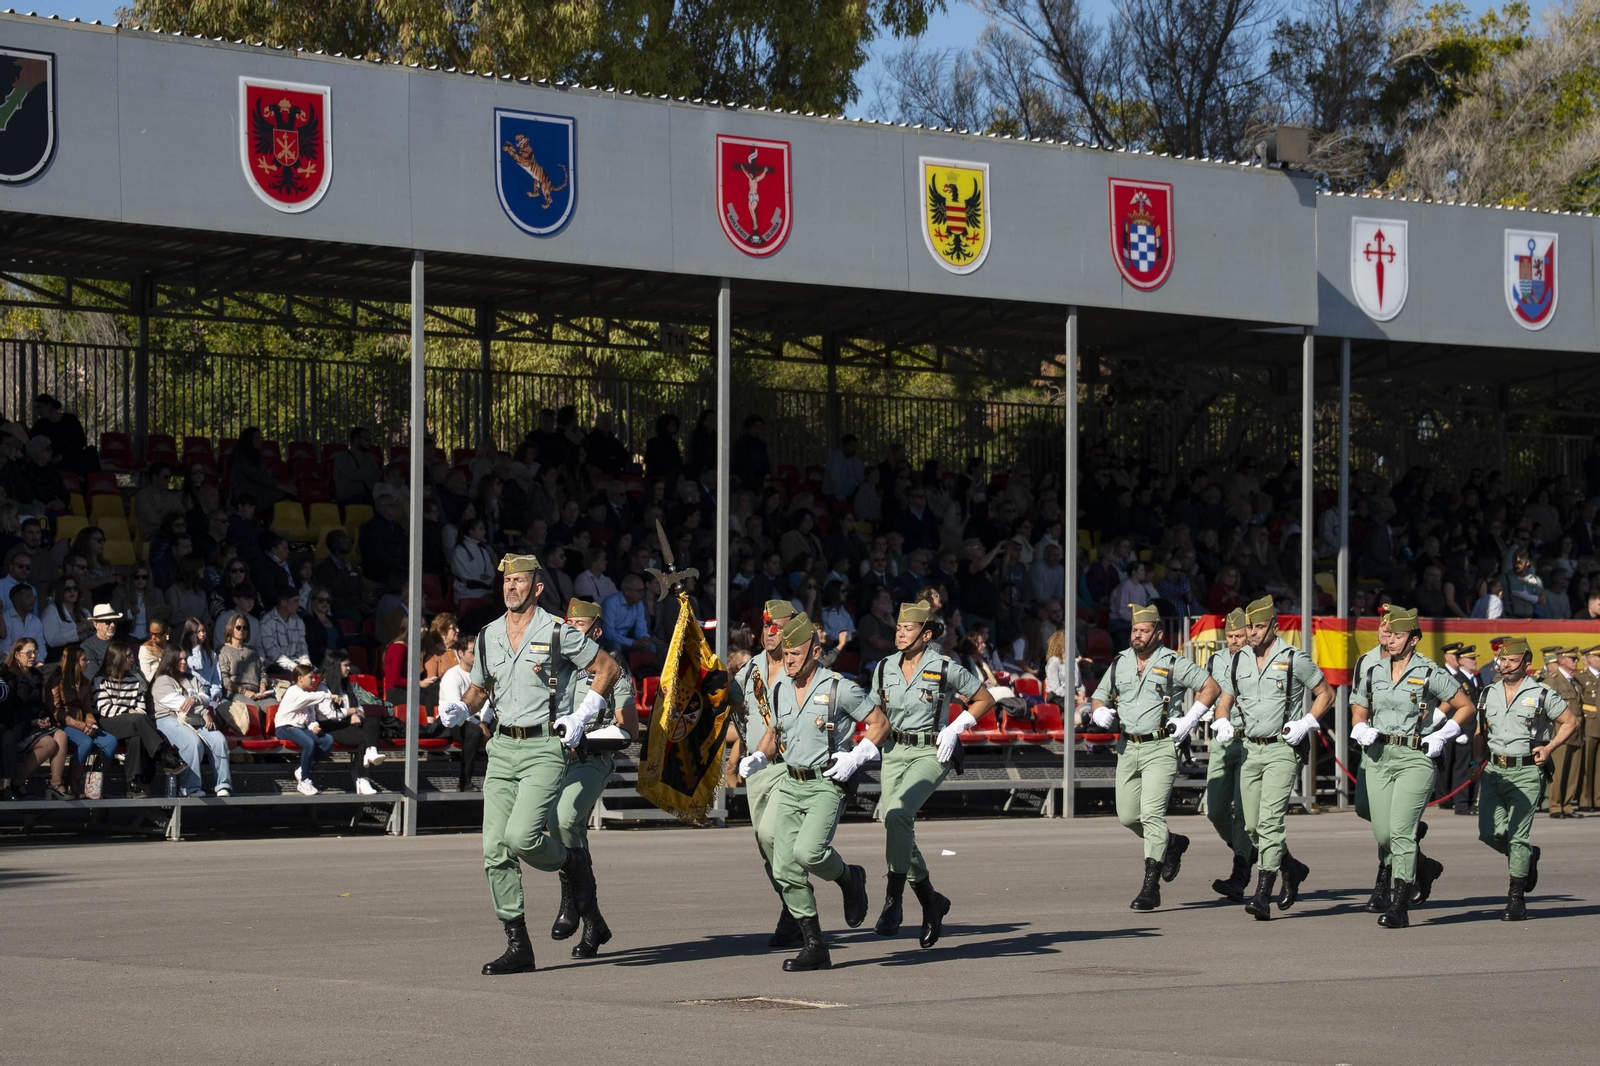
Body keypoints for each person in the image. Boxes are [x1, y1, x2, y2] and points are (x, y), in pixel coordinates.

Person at [433, 553, 621, 977]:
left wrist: (583, 712)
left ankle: (571, 864)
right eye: (506, 581)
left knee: (522, 837)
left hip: (542, 748)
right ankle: (518, 943)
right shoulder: (488, 635)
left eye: (519, 581)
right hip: (502, 747)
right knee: (494, 851)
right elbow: (480, 689)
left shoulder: (556, 631)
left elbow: (606, 668)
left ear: (536, 588)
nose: (511, 587)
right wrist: (461, 710)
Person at [745, 612, 888, 971]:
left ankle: (849, 877)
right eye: (785, 654)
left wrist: (857, 756)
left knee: (809, 852)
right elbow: (776, 732)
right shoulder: (780, 689)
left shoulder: (840, 688)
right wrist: (759, 756)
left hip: (826, 782)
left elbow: (879, 723)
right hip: (790, 783)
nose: (787, 660)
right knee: (783, 865)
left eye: (794, 654)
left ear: (815, 651)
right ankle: (814, 943)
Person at [866, 600, 993, 944]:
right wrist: (861, 748)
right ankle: (931, 901)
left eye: (908, 629)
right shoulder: (884, 668)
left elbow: (984, 699)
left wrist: (955, 728)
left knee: (899, 814)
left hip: (930, 750)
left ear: (925, 634)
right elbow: (875, 714)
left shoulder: (943, 666)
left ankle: (894, 900)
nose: (901, 633)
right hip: (894, 750)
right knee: (895, 822)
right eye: (898, 628)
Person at [1348, 606, 1475, 928]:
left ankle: (1399, 904)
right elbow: (1359, 706)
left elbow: (1465, 706)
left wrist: (1443, 734)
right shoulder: (1372, 669)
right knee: (1383, 833)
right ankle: (1424, 868)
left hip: (1414, 758)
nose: (1390, 641)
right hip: (1378, 757)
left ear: (1414, 639)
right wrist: (1360, 726)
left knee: (1402, 833)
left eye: (1398, 636)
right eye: (1389, 635)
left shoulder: (1430, 672)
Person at [1210, 595, 1334, 920]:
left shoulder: (1294, 658)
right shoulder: (1239, 661)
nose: (1252, 632)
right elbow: (1225, 699)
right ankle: (1291, 869)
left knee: (1269, 821)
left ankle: (1262, 894)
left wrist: (1306, 722)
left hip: (1282, 748)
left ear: (1274, 627)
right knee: (1250, 827)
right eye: (1249, 626)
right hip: (1250, 748)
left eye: (1259, 626)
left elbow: (1326, 693)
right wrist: (1221, 719)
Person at [1089, 604, 1220, 910]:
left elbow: (1210, 687)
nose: (1137, 635)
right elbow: (1099, 695)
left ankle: (1151, 885)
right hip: (1127, 748)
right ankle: (1172, 842)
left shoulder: (1172, 661)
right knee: (1128, 816)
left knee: (1151, 815)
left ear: (1158, 634)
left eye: (1144, 630)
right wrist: (1099, 711)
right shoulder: (1121, 661)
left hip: (1160, 747)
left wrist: (1190, 720)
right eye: (1135, 630)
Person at [545, 599, 639, 959]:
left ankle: (571, 900)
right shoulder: (555, 667)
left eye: (580, 625)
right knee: (566, 834)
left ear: (596, 631)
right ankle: (593, 921)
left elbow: (627, 729)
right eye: (569, 624)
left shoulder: (610, 669)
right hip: (551, 761)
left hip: (590, 759)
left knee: (563, 819)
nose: (571, 630)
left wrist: (582, 737)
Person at [1477, 636, 1579, 920]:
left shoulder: (1542, 693)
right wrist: (1476, 760)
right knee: (1489, 833)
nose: (1506, 665)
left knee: (1517, 835)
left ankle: (1515, 898)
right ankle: (1528, 856)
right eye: (1503, 660)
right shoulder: (1488, 693)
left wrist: (1548, 748)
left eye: (1512, 661)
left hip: (1526, 772)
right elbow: (1480, 731)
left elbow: (1570, 722)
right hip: (1493, 771)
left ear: (1527, 664)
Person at [725, 600, 800, 947]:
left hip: (790, 766)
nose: (769, 633)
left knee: (779, 840)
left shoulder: (800, 668)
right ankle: (791, 904)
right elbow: (735, 705)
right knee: (765, 846)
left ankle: (797, 914)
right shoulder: (751, 668)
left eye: (777, 627)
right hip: (758, 770)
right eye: (766, 626)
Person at [1202, 609, 1255, 899]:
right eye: (1229, 636)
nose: (1233, 641)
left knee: (1243, 812)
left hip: (1250, 740)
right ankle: (1246, 850)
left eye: (1239, 636)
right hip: (1223, 741)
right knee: (1216, 810)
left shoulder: (1259, 659)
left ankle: (1240, 871)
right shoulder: (1216, 660)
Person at [275, 663, 385, 796]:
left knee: (327, 740)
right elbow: (308, 699)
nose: (314, 680)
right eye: (310, 677)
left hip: (301, 728)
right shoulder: (293, 691)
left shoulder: (310, 694)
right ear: (300, 678)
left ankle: (303, 768)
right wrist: (329, 696)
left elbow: (310, 717)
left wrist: (313, 726)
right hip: (285, 727)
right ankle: (304, 779)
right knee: (309, 743)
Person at [93, 641, 186, 797]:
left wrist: (135, 712)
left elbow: (141, 706)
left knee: (136, 737)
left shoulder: (133, 679)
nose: (132, 659)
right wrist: (130, 711)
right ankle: (163, 755)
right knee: (138, 720)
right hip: (108, 722)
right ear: (118, 658)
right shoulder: (101, 679)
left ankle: (134, 784)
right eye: (128, 656)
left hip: (133, 724)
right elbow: (105, 709)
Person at [148, 645, 234, 798]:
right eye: (179, 659)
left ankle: (223, 784)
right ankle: (190, 788)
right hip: (166, 719)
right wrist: (204, 711)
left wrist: (195, 699)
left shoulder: (191, 678)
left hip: (194, 719)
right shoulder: (161, 681)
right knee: (192, 742)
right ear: (170, 660)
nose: (183, 662)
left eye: (184, 658)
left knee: (218, 739)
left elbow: (206, 697)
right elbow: (181, 705)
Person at [1, 638, 68, 800]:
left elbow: (38, 703)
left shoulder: (36, 675)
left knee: (61, 735)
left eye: (35, 652)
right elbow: (8, 710)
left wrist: (43, 717)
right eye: (28, 653)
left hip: (34, 722)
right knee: (49, 743)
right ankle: (17, 783)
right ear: (17, 655)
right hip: (17, 724)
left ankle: (55, 784)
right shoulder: (9, 676)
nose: (32, 656)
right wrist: (31, 721)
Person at [49, 645, 117, 797]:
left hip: (83, 724)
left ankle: (92, 782)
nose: (88, 663)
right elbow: (57, 712)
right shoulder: (56, 680)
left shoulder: (85, 682)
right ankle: (73, 782)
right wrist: (82, 726)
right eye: (84, 660)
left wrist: (91, 723)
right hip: (64, 724)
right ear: (74, 662)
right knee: (85, 742)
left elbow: (87, 708)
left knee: (110, 742)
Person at [1541, 647, 1585, 818]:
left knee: (1572, 772)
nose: (1576, 661)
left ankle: (1567, 805)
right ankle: (1555, 806)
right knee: (1558, 772)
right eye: (1572, 659)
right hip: (1559, 734)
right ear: (1562, 660)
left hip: (1574, 733)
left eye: (1576, 659)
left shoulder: (1573, 681)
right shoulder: (1553, 681)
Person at [218, 614, 275, 708]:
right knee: (253, 709)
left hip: (256, 692)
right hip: (235, 692)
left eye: (245, 628)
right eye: (238, 627)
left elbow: (262, 673)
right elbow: (225, 680)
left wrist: (263, 686)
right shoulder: (223, 650)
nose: (242, 630)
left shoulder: (253, 651)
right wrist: (244, 691)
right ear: (231, 628)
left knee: (275, 707)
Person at [260, 588, 312, 675]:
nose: (298, 605)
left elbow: (302, 647)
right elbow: (272, 652)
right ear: (283, 602)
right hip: (276, 666)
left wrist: (306, 663)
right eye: (295, 601)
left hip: (296, 664)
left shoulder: (299, 621)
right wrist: (295, 667)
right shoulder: (266, 622)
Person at [332, 427, 382, 505]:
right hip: (349, 498)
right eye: (367, 438)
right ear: (356, 439)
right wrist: (370, 473)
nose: (369, 442)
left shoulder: (369, 457)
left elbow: (377, 476)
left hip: (368, 496)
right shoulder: (343, 457)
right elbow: (354, 474)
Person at [451, 518, 496, 603]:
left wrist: (486, 577)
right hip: (466, 591)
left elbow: (490, 572)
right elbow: (465, 575)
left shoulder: (482, 550)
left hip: (485, 588)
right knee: (492, 602)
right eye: (480, 528)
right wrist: (481, 577)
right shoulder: (460, 551)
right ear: (471, 531)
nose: (484, 532)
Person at [0, 583, 45, 660]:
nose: (33, 600)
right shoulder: (4, 619)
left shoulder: (36, 621)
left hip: (32, 665)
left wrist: (39, 661)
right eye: (28, 597)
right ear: (16, 600)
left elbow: (40, 646)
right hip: (9, 667)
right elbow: (4, 650)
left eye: (33, 597)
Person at [1581, 645, 1600, 813]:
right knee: (1587, 764)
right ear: (1588, 659)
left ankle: (1598, 799)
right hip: (1589, 725)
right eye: (1597, 657)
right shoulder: (1581, 677)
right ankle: (1586, 800)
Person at [137, 617, 170, 683]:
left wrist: (163, 655)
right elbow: (148, 678)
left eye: (157, 635)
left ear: (167, 631)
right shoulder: (146, 649)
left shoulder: (171, 646)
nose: (153, 637)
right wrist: (163, 659)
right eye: (151, 633)